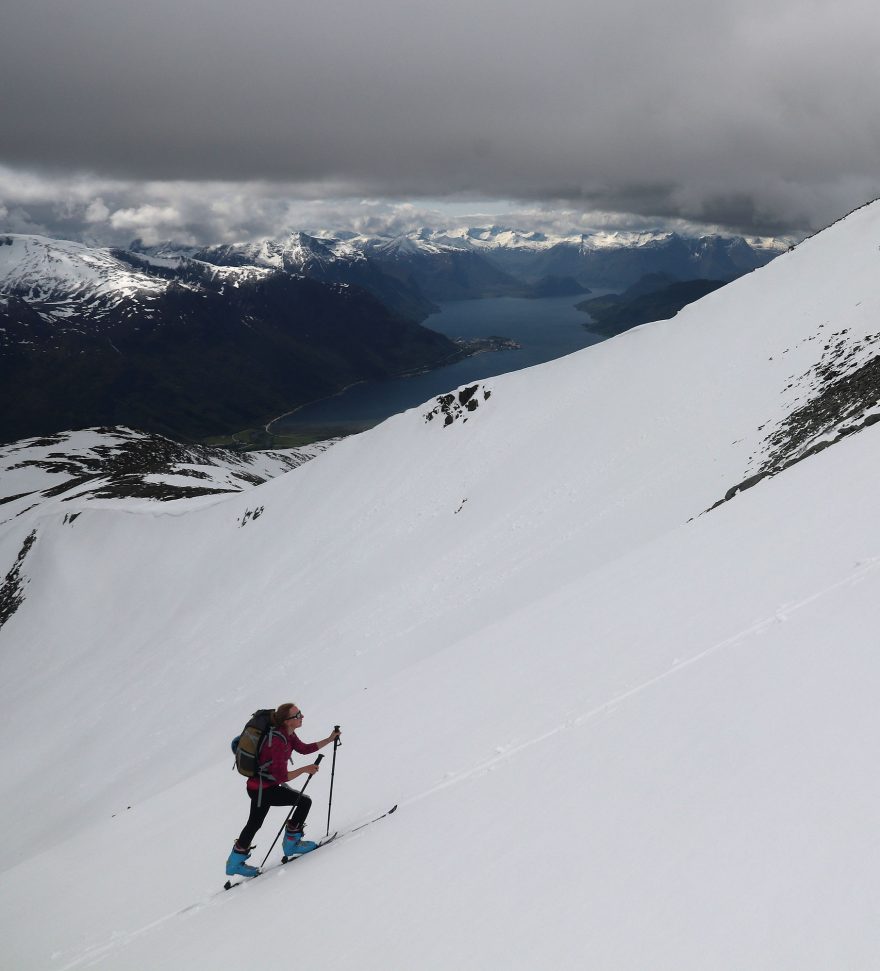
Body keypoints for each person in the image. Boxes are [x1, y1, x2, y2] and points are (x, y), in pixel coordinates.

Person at [226, 702, 340, 878]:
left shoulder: (288, 734)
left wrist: (329, 739)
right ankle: (291, 844)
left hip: (261, 787)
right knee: (303, 802)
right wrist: (304, 769)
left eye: (300, 713)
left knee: (255, 823)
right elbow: (281, 777)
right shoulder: (277, 742)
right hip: (263, 790)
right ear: (287, 721)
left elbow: (304, 749)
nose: (302, 717)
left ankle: (234, 863)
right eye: (297, 715)